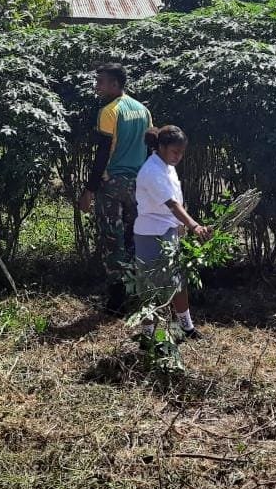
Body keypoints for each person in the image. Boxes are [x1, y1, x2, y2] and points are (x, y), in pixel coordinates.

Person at [77, 63, 153, 315]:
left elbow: (102, 154)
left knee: (113, 240)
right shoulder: (143, 110)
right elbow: (150, 147)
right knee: (134, 236)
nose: (97, 86)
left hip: (112, 184)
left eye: (101, 81)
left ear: (115, 84)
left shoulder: (109, 111)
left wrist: (89, 189)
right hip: (138, 183)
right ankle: (137, 292)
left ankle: (116, 301)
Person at [133, 125, 212, 339]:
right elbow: (172, 205)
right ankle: (147, 336)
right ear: (161, 147)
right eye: (175, 152)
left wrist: (181, 227)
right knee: (149, 286)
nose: (178, 156)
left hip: (168, 231)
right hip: (150, 234)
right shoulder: (151, 171)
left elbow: (177, 202)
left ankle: (187, 328)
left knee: (177, 281)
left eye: (181, 152)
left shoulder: (167, 166)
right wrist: (194, 226)